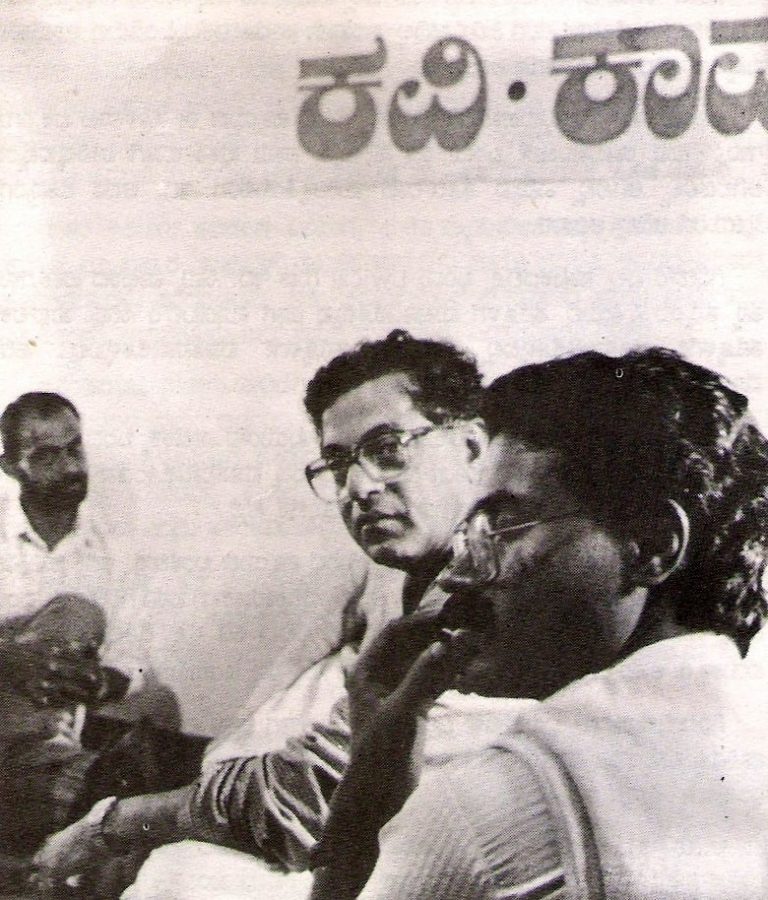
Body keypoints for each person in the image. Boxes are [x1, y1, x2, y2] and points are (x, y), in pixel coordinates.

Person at [33, 330, 521, 898]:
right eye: (337, 463)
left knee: (178, 875)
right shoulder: (405, 567)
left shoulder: (498, 585)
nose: (358, 486)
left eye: (388, 449)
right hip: (307, 795)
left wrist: (113, 825)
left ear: (472, 446)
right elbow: (299, 686)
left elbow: (305, 799)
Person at [311, 347, 768, 900]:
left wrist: (362, 809)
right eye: (467, 535)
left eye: (503, 526)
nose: (455, 576)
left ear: (652, 545)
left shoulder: (482, 806)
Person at [0, 393, 154, 861]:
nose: (70, 467)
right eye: (47, 456)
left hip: (65, 722)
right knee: (76, 612)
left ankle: (61, 785)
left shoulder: (114, 550)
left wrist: (92, 681)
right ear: (9, 466)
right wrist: (11, 658)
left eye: (75, 449)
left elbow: (132, 661)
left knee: (159, 706)